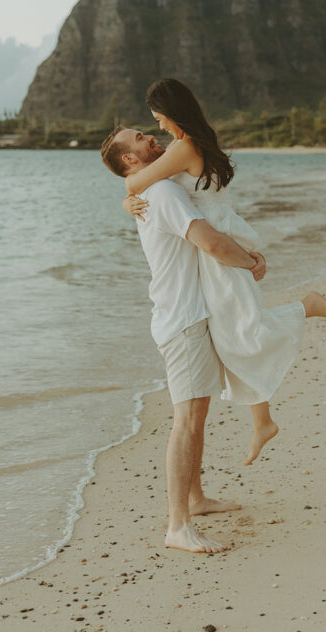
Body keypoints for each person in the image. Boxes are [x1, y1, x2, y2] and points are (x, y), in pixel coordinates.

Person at [119, 78, 326, 467]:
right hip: (223, 241)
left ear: (173, 113)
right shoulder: (195, 141)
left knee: (242, 331)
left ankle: (307, 307)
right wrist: (129, 204)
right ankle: (263, 420)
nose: (158, 127)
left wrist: (128, 199)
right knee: (234, 334)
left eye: (158, 119)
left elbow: (135, 180)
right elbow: (145, 187)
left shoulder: (183, 147)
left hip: (218, 251)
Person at [101, 125, 266, 554]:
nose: (152, 137)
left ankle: (196, 498)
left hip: (187, 314)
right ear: (131, 159)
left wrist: (124, 194)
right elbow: (209, 242)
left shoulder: (158, 187)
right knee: (186, 422)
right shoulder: (163, 194)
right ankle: (177, 526)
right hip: (184, 320)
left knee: (198, 415)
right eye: (140, 137)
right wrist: (252, 263)